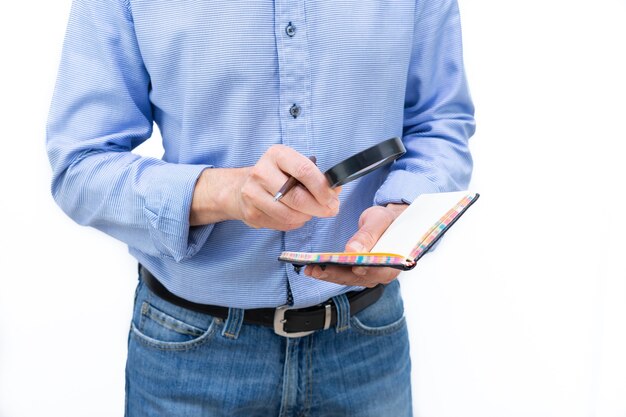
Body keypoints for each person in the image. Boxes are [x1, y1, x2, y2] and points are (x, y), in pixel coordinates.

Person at [47, 0, 474, 415]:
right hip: (190, 357)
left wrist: (404, 213)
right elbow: (80, 167)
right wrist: (222, 192)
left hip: (367, 344)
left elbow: (441, 122)